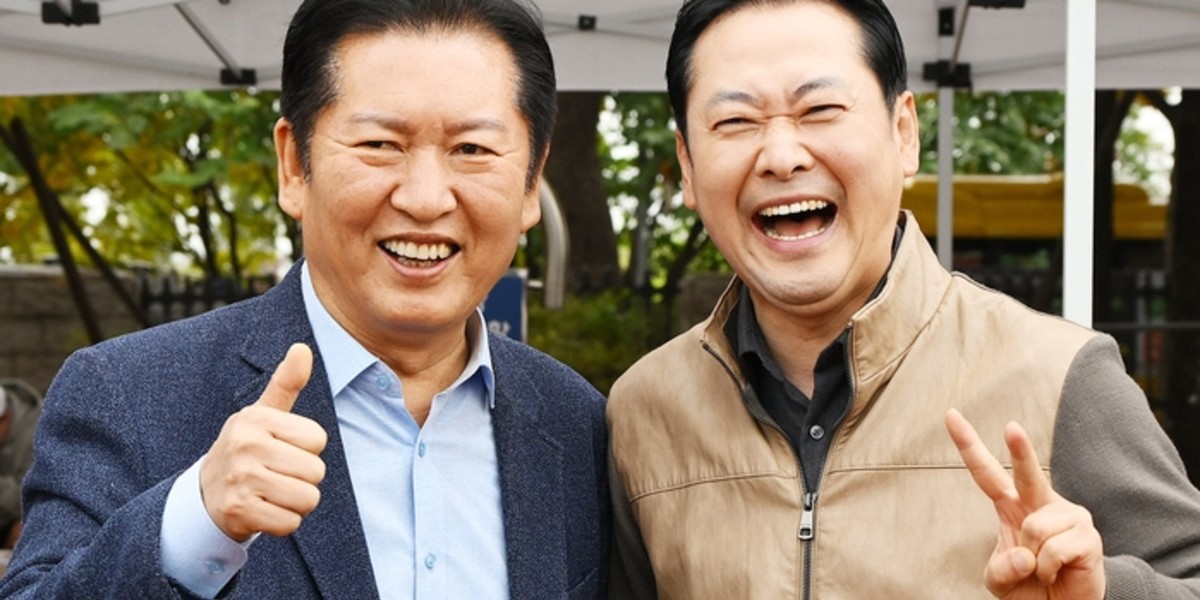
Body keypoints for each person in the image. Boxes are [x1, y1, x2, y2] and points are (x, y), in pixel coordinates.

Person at [0, 0, 610, 598]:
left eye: (472, 150)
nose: (426, 199)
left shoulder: (578, 422)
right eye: (380, 144)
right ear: (294, 165)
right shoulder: (128, 395)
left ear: (531, 181)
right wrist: (193, 525)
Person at [606, 0, 1200, 598]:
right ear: (687, 165)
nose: (782, 157)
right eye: (736, 121)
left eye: (820, 110)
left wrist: (1104, 591)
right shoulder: (643, 412)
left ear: (904, 133)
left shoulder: (1058, 376)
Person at [0, 380, 40, 550]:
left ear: (4, 418)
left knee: (23, 529)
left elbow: (31, 493)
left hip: (22, 517)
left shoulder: (37, 432)